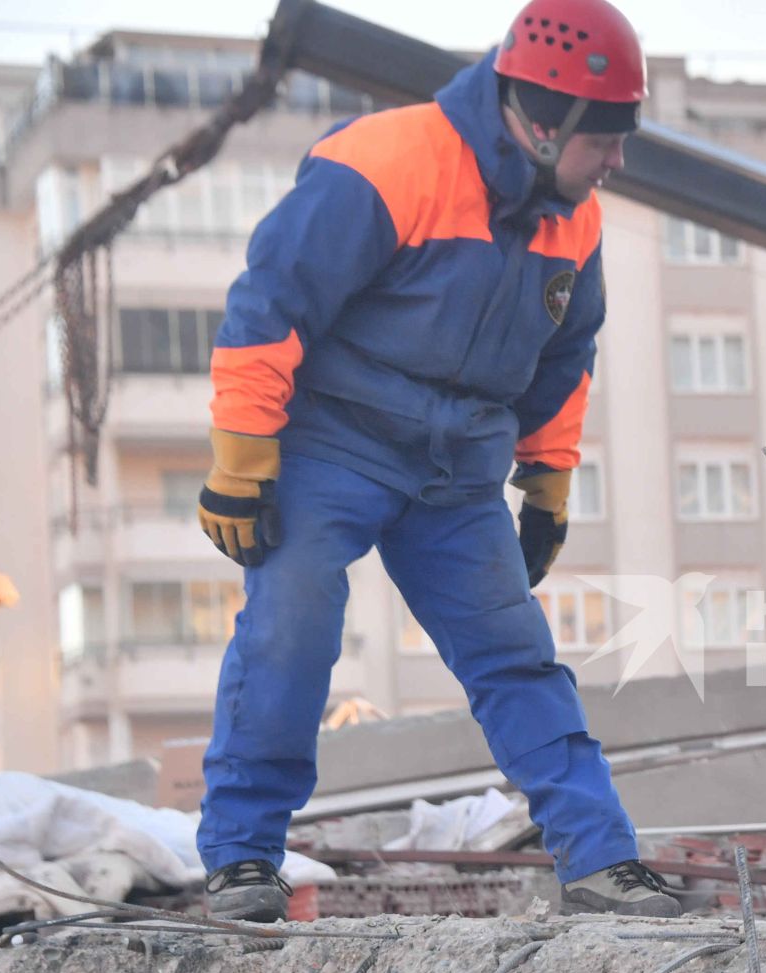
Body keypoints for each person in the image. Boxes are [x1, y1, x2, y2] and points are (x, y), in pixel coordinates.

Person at [194, 0, 679, 923]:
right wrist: (243, 451)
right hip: (331, 445)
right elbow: (270, 304)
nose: (617, 159)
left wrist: (547, 479)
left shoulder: (574, 219)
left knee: (517, 658)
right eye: (606, 138)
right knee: (290, 630)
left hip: (457, 473)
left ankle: (602, 861)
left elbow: (565, 355)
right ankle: (243, 862)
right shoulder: (383, 163)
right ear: (542, 122)